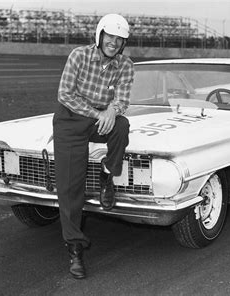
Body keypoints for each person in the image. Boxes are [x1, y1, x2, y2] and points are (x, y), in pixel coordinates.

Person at [52, 13, 134, 279]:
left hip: (101, 119)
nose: (114, 43)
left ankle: (108, 175)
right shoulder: (79, 55)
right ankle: (75, 249)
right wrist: (99, 113)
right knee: (70, 187)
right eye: (110, 37)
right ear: (100, 36)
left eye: (119, 39)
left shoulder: (125, 65)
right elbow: (65, 94)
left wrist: (111, 110)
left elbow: (122, 99)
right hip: (71, 118)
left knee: (121, 126)